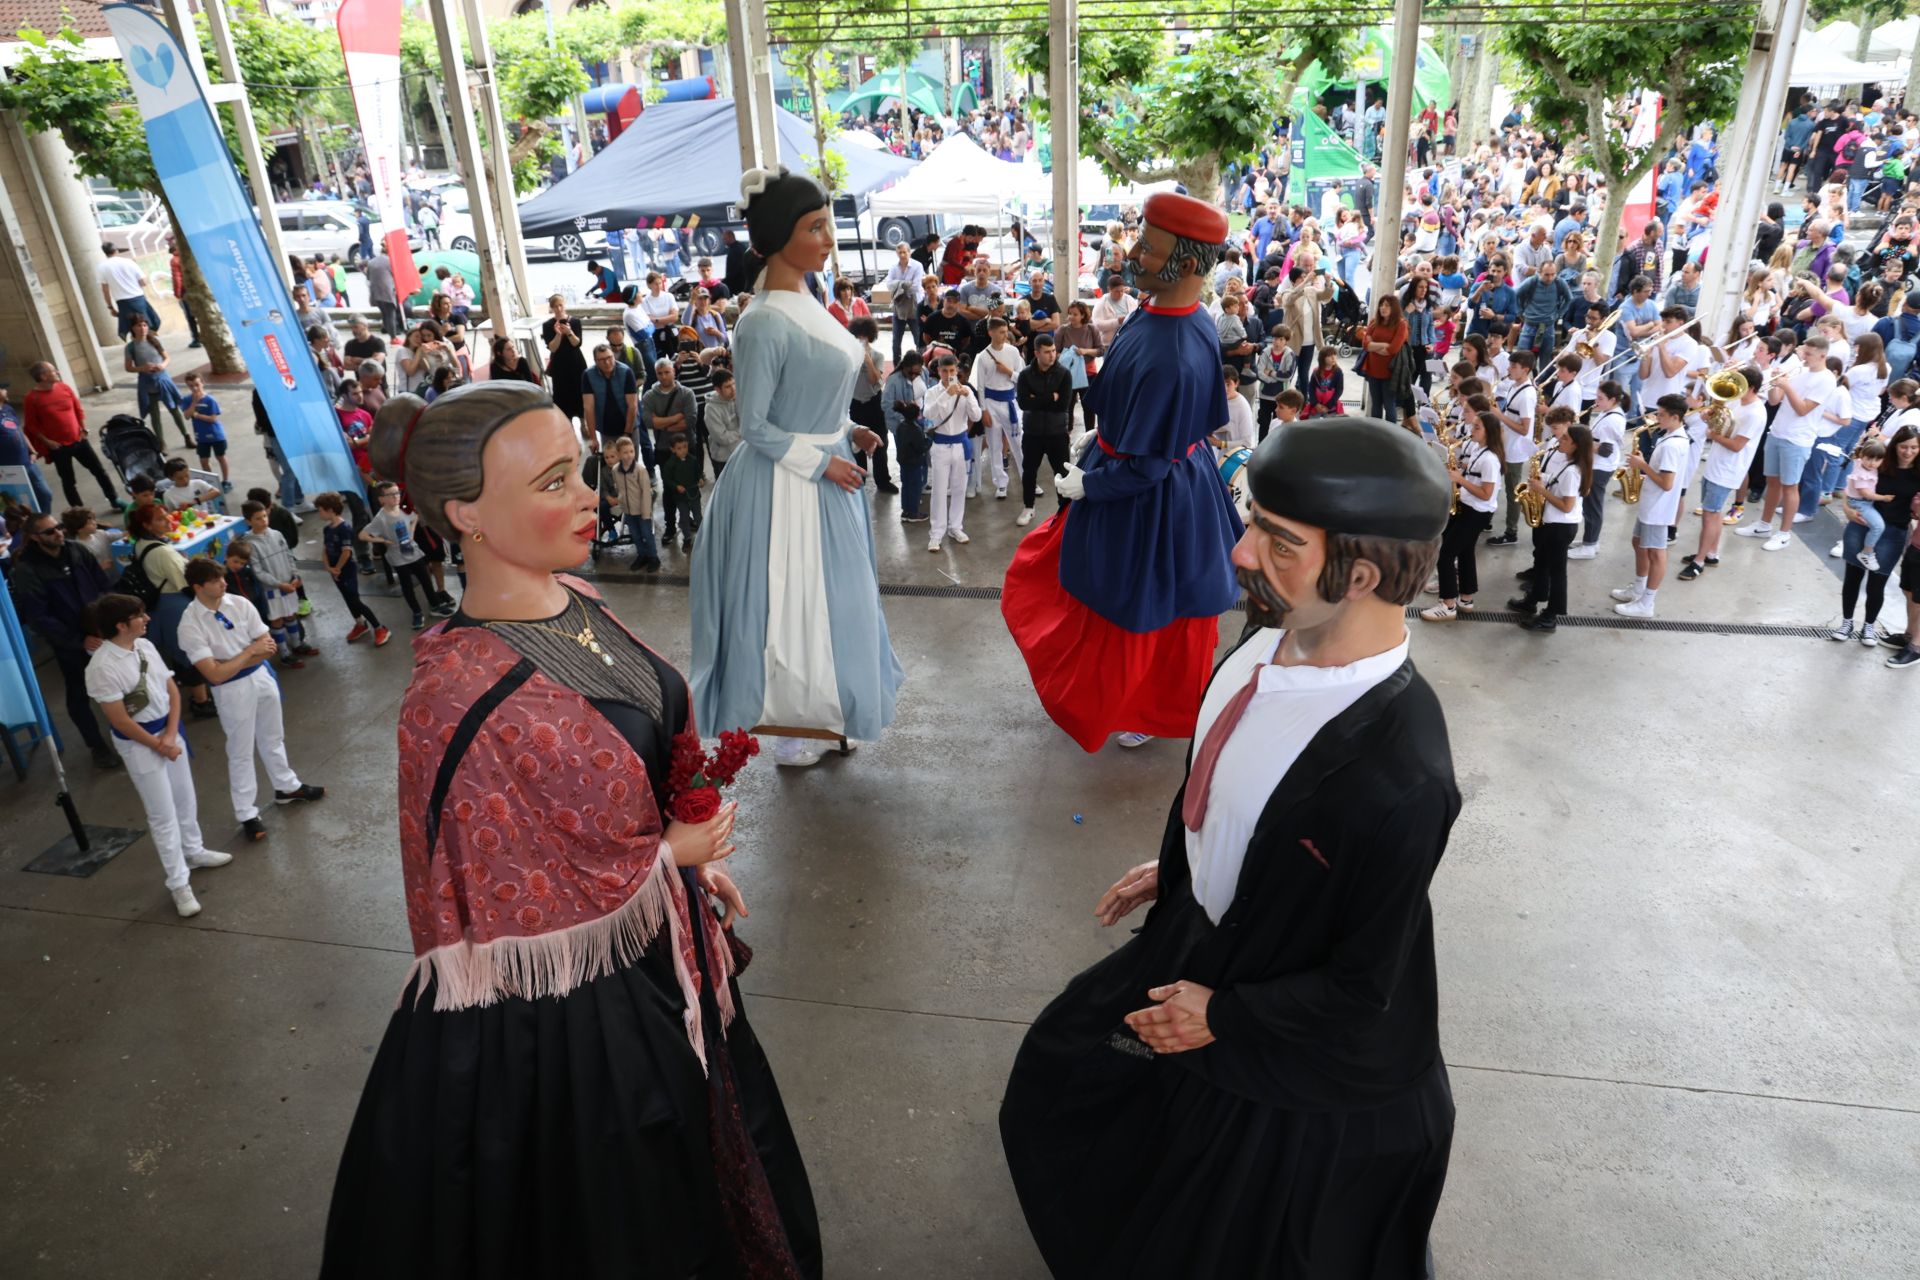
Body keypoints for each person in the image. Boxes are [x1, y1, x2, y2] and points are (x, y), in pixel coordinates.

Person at [321, 381, 820, 1277]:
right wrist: (668, 855)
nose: (591, 497)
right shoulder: (452, 696)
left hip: (666, 962)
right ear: (465, 513)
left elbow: (627, 772)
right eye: (555, 482)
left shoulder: (578, 600)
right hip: (573, 1033)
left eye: (580, 470)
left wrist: (684, 868)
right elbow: (493, 892)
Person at [1001, 416, 1457, 1278]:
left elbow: (1365, 989)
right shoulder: (1261, 646)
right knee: (1063, 1088)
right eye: (1250, 524)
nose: (1242, 554)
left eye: (1277, 543)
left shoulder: (1402, 777)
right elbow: (1226, 780)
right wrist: (1188, 864)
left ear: (1358, 574)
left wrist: (1223, 1015)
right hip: (1202, 932)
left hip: (1279, 1034)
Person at [1003, 192, 1244, 752]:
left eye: (1148, 247)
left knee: (1147, 603)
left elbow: (1152, 465)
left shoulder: (1178, 352)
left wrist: (1092, 482)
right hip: (1140, 465)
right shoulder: (1157, 312)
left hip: (1153, 494)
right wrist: (1103, 431)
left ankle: (1142, 705)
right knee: (1132, 597)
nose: (1132, 254)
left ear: (1186, 265)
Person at [689, 166, 904, 768]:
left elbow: (813, 398)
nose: (827, 238)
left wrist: (848, 429)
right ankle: (795, 724)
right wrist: (824, 462)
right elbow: (756, 427)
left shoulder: (806, 299)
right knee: (793, 605)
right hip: (786, 488)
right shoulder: (760, 321)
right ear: (781, 234)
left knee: (838, 602)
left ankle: (829, 712)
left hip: (826, 472)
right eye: (814, 226)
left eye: (826, 224)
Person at [85, 593, 232, 916]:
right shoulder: (101, 667)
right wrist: (158, 744)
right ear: (121, 625)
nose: (147, 618)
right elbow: (119, 719)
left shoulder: (145, 647)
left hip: (168, 732)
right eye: (139, 615)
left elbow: (170, 690)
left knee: (185, 798)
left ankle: (193, 851)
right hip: (139, 744)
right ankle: (178, 884)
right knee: (162, 815)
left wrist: (170, 733)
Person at [177, 558, 325, 844]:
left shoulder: (239, 604)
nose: (224, 583)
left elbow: (268, 647)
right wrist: (248, 653)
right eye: (216, 580)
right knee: (241, 750)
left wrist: (234, 660)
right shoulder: (189, 624)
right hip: (231, 691)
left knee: (273, 737)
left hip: (261, 678)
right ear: (197, 587)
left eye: (223, 578)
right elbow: (214, 675)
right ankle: (246, 813)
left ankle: (286, 786)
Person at [8, 512, 121, 769]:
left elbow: (103, 584)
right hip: (73, 645)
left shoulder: (76, 551)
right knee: (79, 695)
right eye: (50, 531)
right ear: (35, 537)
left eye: (58, 527)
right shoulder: (28, 569)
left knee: (120, 683)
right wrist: (79, 640)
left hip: (103, 634)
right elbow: (39, 617)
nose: (58, 532)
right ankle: (97, 747)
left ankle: (131, 731)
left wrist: (111, 620)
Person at [1743, 335, 1837, 551]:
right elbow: (1775, 400)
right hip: (1778, 431)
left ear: (1823, 355)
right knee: (1772, 482)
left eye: (1809, 354)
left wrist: (1787, 385)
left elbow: (1803, 409)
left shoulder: (1826, 379)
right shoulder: (1800, 372)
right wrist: (1777, 383)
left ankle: (1784, 534)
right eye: (1804, 352)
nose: (1804, 358)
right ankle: (1764, 525)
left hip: (1798, 438)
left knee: (1790, 487)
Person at [1833, 425, 1920, 643]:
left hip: (1895, 532)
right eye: (1903, 447)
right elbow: (1851, 486)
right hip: (1862, 524)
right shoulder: (1879, 463)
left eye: (1914, 448)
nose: (1908, 452)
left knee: (1877, 583)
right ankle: (1846, 623)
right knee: (1853, 578)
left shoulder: (1918, 473)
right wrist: (1847, 509)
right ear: (1895, 446)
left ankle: (1869, 626)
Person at [1508, 416, 1594, 633]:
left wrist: (1541, 490)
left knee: (1557, 572)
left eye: (1565, 438)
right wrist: (1541, 479)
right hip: (1552, 522)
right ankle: (1533, 600)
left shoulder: (1573, 472)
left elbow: (1567, 505)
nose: (1560, 441)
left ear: (1575, 445)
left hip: (1561, 526)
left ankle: (1551, 615)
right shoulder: (1566, 463)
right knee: (1542, 564)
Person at [1612, 394, 1691, 619]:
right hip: (1651, 504)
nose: (1656, 417)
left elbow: (1667, 483)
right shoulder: (1669, 436)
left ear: (1675, 417)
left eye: (1661, 414)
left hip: (1659, 508)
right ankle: (1639, 587)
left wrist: (1642, 466)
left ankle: (1647, 602)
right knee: (1638, 542)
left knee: (1656, 553)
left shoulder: (1673, 446)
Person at [1423, 397, 1502, 621]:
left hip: (1477, 511)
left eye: (1477, 427)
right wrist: (1461, 469)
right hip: (1467, 506)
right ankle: (1465, 598)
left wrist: (1461, 479)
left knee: (1446, 552)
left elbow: (1487, 493)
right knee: (1466, 552)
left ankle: (1447, 604)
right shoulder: (1478, 450)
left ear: (1489, 432)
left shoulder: (1490, 460)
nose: (1472, 429)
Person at [21, 362, 120, 512]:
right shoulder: (31, 398)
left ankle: (114, 499)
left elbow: (77, 409)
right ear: (43, 376)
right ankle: (79, 512)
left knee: (99, 471)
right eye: (54, 371)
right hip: (59, 447)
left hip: (79, 439)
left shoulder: (64, 387)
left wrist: (83, 428)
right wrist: (48, 442)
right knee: (68, 481)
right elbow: (31, 426)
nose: (58, 372)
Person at [1014, 333, 1073, 527]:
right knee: (1029, 471)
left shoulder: (1064, 374)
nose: (1052, 355)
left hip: (1057, 433)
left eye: (1054, 351)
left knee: (1062, 473)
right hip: (1032, 433)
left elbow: (1063, 404)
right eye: (1047, 352)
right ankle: (1028, 507)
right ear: (1037, 353)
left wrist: (1036, 399)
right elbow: (1023, 403)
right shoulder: (1025, 375)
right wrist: (1050, 397)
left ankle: (1064, 511)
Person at [969, 317, 1026, 501]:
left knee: (1018, 442)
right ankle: (1001, 484)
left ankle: (1028, 477)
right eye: (1001, 332)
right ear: (990, 333)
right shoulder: (983, 356)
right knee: (994, 444)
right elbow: (980, 387)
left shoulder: (1013, 351)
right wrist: (983, 410)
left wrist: (1008, 372)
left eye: (1006, 331)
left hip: (1009, 401)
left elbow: (1022, 378)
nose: (1004, 335)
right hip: (991, 403)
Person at [124, 316, 193, 450]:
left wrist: (162, 365)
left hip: (163, 380)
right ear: (133, 328)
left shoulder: (154, 341)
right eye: (139, 325)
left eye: (144, 325)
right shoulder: (131, 347)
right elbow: (128, 367)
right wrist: (141, 368)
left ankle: (186, 436)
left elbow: (167, 357)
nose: (142, 328)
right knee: (155, 415)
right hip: (147, 384)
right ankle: (161, 442)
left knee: (174, 410)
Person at [884, 350, 931, 524]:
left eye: (917, 372)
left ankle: (921, 485)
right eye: (911, 372)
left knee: (922, 458)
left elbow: (927, 396)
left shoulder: (923, 373)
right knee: (910, 464)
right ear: (903, 367)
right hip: (905, 426)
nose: (914, 375)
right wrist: (906, 420)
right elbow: (887, 405)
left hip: (920, 421)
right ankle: (911, 502)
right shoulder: (894, 381)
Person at [604, 433, 661, 571]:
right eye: (625, 452)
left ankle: (653, 557)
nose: (629, 455)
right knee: (635, 535)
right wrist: (621, 503)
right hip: (628, 511)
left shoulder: (640, 471)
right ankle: (642, 555)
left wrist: (646, 513)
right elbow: (619, 488)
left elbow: (646, 493)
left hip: (642, 510)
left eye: (632, 451)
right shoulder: (615, 470)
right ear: (618, 454)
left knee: (647, 534)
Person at [582, 342, 640, 452]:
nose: (607, 362)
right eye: (602, 360)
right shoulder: (588, 375)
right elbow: (588, 407)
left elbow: (632, 405)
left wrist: (627, 434)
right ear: (595, 361)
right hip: (606, 428)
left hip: (629, 426)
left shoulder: (626, 372)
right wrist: (593, 438)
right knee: (610, 463)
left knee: (630, 462)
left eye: (610, 357)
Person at [178, 372, 231, 490]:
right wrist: (194, 403)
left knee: (220, 457)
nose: (195, 388)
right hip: (201, 436)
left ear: (202, 383)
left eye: (197, 384)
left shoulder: (210, 400)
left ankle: (226, 481)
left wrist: (196, 415)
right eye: (191, 386)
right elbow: (186, 415)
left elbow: (213, 419)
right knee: (204, 460)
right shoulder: (187, 400)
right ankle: (211, 482)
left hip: (216, 435)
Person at [541, 295, 588, 429]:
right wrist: (558, 334)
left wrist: (569, 332)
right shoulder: (547, 325)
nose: (558, 308)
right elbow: (552, 348)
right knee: (562, 393)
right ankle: (568, 424)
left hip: (576, 362)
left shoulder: (575, 322)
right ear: (551, 308)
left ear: (565, 305)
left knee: (579, 391)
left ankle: (583, 422)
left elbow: (577, 343)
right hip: (559, 364)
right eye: (555, 306)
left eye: (560, 305)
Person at [1844, 440, 1891, 570]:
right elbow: (1866, 493)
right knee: (1878, 526)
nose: (1872, 463)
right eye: (1869, 458)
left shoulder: (1867, 467)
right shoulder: (1861, 473)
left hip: (1864, 503)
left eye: (1877, 460)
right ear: (1862, 455)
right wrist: (1884, 498)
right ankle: (1867, 552)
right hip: (1861, 503)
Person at [98, 243, 160, 337]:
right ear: (116, 250)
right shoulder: (129, 262)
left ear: (105, 253)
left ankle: (140, 347)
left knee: (133, 328)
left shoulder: (102, 267)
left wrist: (111, 307)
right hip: (139, 299)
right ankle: (151, 346)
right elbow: (143, 282)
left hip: (123, 303)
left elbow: (105, 291)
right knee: (146, 325)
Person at [704, 367, 742, 480]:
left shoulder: (738, 398)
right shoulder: (711, 409)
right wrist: (742, 431)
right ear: (718, 390)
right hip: (724, 459)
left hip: (741, 453)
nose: (733, 389)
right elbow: (722, 437)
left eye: (734, 384)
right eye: (728, 386)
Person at [365, 246, 402, 338]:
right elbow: (397, 276)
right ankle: (393, 337)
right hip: (387, 292)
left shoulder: (371, 262)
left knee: (384, 314)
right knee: (391, 315)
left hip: (375, 293)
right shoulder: (391, 261)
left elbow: (368, 277)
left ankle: (389, 332)